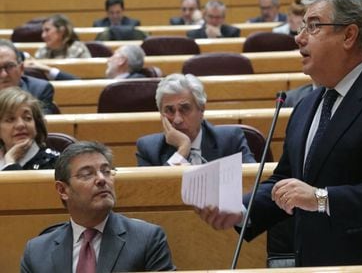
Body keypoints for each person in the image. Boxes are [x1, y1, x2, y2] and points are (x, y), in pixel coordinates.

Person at [196, 0, 362, 267]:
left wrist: (321, 198)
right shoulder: (306, 104)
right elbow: (286, 180)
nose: (299, 37)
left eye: (313, 26)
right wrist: (240, 210)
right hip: (310, 262)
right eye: (301, 27)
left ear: (349, 35)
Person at [21, 141, 175, 272]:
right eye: (87, 174)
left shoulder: (147, 240)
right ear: (63, 190)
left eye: (106, 171)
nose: (102, 179)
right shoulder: (37, 253)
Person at [136, 73, 256, 166]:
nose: (177, 120)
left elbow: (252, 183)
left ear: (201, 109)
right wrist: (183, 149)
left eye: (185, 108)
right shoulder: (149, 149)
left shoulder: (231, 140)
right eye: (169, 110)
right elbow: (154, 192)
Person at [0, 87, 59, 171]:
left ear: (36, 125)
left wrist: (10, 162)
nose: (21, 125)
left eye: (27, 118)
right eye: (10, 119)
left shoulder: (52, 162)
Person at [0, 39, 55, 114]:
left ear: (21, 68)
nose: (4, 74)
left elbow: (40, 124)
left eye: (10, 66)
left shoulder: (39, 90)